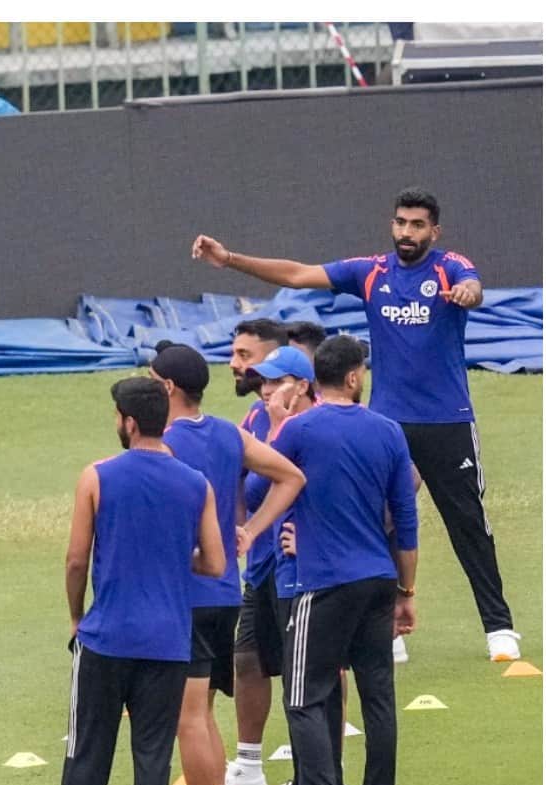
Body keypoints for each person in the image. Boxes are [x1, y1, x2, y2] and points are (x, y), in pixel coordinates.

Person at [194, 187, 518, 660]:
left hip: (447, 421)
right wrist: (229, 260)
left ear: (434, 231)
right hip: (386, 423)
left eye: (417, 225)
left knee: (466, 521)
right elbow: (298, 275)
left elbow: (472, 285)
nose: (407, 232)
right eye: (401, 222)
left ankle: (499, 629)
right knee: (375, 520)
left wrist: (469, 293)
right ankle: (387, 630)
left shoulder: (448, 267)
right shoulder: (371, 273)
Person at [18, 378, 224, 785]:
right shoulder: (196, 483)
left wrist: (75, 615)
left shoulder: (98, 476)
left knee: (86, 753)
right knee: (153, 760)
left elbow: (75, 560)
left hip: (107, 639)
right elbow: (215, 563)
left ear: (128, 422)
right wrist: (170, 557)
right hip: (169, 644)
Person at [146, 347, 304, 785]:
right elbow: (291, 477)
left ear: (168, 388)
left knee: (188, 718)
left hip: (185, 594)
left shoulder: (163, 445)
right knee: (203, 714)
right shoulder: (227, 434)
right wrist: (250, 532)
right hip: (224, 593)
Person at [264, 335, 418, 785]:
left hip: (324, 582)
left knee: (302, 695)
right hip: (379, 580)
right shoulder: (388, 430)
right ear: (353, 377)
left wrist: (277, 425)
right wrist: (406, 590)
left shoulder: (299, 430)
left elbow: (258, 488)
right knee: (378, 698)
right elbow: (406, 517)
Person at [224, 347, 319, 785]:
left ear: (302, 385)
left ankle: (314, 783)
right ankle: (249, 768)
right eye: (263, 379)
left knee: (310, 677)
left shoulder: (314, 426)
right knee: (247, 659)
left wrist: (315, 536)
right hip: (262, 564)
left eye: (276, 380)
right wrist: (242, 525)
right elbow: (237, 473)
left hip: (303, 571)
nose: (266, 388)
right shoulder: (254, 419)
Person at [226, 319, 289, 401]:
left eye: (243, 355)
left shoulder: (301, 407)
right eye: (233, 355)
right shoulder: (260, 406)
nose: (232, 364)